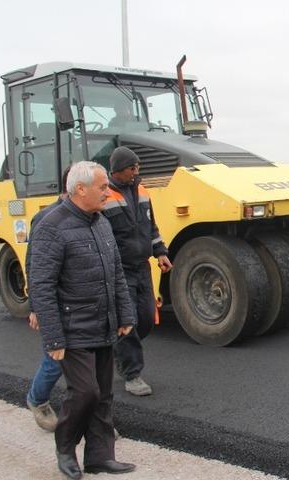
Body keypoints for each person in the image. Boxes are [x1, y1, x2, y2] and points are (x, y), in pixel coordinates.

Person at [29, 161, 137, 478]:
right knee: (85, 392)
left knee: (103, 394)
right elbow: (42, 285)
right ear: (80, 189)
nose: (108, 192)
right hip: (71, 327)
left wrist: (125, 313)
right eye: (103, 187)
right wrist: (53, 338)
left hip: (103, 322)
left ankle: (100, 457)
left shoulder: (101, 222)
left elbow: (116, 272)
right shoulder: (51, 225)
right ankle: (66, 450)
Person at [104, 146, 173, 396]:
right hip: (119, 270)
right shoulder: (104, 196)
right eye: (132, 168)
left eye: (137, 167)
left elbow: (151, 227)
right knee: (128, 321)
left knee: (145, 320)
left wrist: (161, 252)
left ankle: (118, 349)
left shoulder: (142, 191)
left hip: (142, 266)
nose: (136, 171)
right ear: (117, 171)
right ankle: (132, 374)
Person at [24, 166, 70, 431]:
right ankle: (37, 399)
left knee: (87, 366)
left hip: (81, 303)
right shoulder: (45, 218)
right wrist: (36, 308)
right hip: (54, 304)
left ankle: (92, 418)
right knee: (54, 363)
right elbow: (35, 267)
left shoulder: (92, 217)